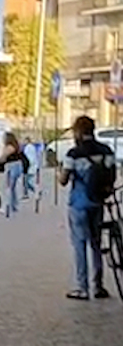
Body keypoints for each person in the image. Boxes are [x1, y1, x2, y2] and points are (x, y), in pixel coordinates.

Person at [59, 116, 115, 300]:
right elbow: (112, 176)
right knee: (96, 244)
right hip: (98, 203)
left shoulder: (73, 154)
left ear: (78, 131)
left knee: (79, 245)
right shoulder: (106, 150)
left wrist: (64, 172)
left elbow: (63, 180)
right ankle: (98, 286)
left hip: (78, 204)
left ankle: (82, 288)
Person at [0, 132, 26, 217]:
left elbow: (3, 158)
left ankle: (5, 207)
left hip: (11, 166)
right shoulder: (16, 146)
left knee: (7, 187)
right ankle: (14, 205)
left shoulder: (9, 147)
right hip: (17, 166)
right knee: (12, 188)